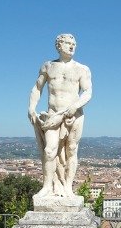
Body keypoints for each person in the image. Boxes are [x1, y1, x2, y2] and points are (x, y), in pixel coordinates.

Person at [28, 34, 92, 197]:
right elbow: (37, 87)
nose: (72, 47)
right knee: (50, 151)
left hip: (74, 115)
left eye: (74, 44)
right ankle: (48, 186)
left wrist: (75, 106)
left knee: (71, 150)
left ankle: (68, 187)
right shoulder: (48, 66)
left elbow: (88, 92)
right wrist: (31, 107)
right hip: (53, 115)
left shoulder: (82, 69)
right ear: (59, 46)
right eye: (68, 44)